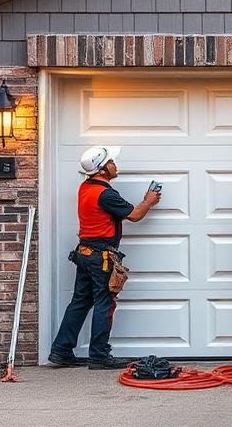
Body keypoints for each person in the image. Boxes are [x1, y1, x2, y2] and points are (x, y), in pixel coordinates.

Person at [48, 146, 161, 370]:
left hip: (85, 253)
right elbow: (135, 215)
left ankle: (61, 351)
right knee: (104, 303)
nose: (115, 164)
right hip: (102, 258)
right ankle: (99, 356)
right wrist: (148, 200)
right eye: (111, 161)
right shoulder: (106, 194)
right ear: (102, 169)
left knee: (80, 302)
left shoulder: (85, 187)